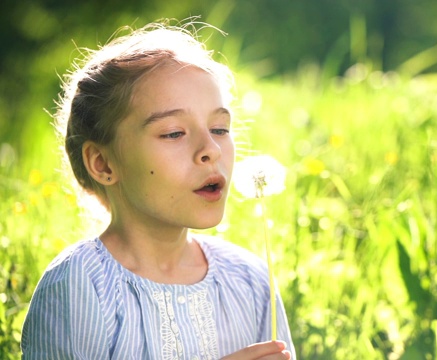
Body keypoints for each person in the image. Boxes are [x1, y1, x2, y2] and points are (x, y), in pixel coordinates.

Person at [21, 20, 295, 360]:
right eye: (174, 133)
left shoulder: (251, 281)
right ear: (104, 164)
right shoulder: (80, 286)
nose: (211, 148)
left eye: (220, 128)